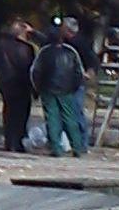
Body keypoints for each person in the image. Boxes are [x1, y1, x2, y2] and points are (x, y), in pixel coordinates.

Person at [30, 22, 87, 157]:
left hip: (48, 89)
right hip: (66, 90)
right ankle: (77, 147)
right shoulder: (71, 52)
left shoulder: (44, 52)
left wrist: (37, 88)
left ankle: (56, 147)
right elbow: (79, 72)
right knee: (70, 118)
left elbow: (35, 71)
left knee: (52, 118)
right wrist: (73, 87)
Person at [0, 20, 37, 152]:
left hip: (6, 83)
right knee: (21, 114)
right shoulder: (27, 48)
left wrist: (1, 78)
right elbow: (30, 69)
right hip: (21, 84)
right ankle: (18, 141)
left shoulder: (0, 46)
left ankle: (9, 141)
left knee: (8, 112)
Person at [61, 16, 95, 147]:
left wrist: (89, 73)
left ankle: (82, 142)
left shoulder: (80, 43)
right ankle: (69, 141)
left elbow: (91, 60)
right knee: (65, 112)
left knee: (76, 110)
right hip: (64, 81)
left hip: (76, 82)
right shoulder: (62, 41)